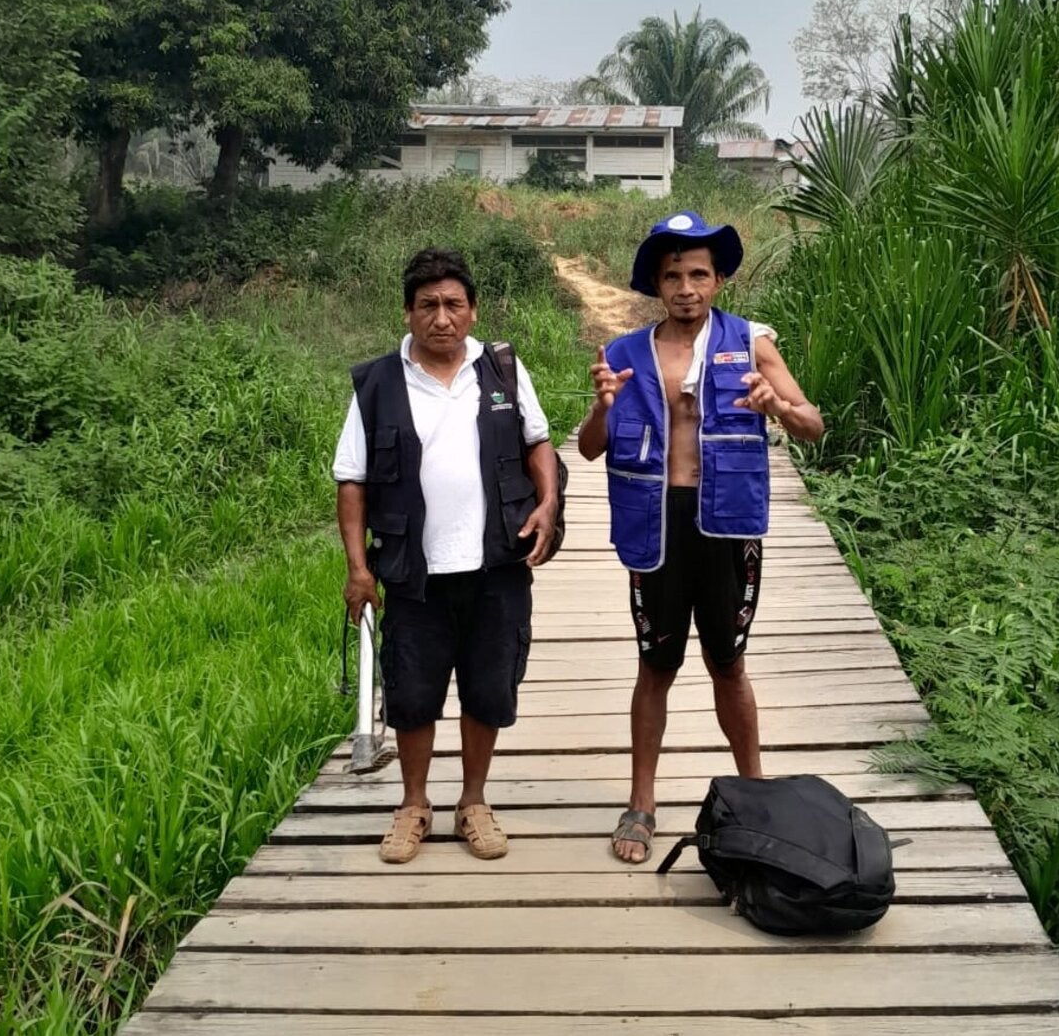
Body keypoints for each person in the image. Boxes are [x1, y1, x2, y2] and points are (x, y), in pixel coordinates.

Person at [577, 211, 825, 864]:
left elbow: (813, 424)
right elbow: (588, 449)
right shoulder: (625, 355)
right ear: (656, 285)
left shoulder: (752, 343)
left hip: (727, 524)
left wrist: (777, 406)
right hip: (657, 527)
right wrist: (603, 408)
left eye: (698, 274)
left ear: (717, 281)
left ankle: (755, 790)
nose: (686, 287)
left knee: (728, 663)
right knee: (655, 666)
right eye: (672, 276)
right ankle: (642, 801)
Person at [334, 247, 560, 864]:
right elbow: (351, 480)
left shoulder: (503, 371)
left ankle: (473, 802)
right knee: (411, 693)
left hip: (496, 566)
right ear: (408, 312)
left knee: (489, 687)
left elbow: (538, 441)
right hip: (413, 574)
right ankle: (412, 805)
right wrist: (359, 570)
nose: (442, 317)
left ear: (472, 309)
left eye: (453, 304)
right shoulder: (377, 384)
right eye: (428, 305)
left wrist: (548, 503)